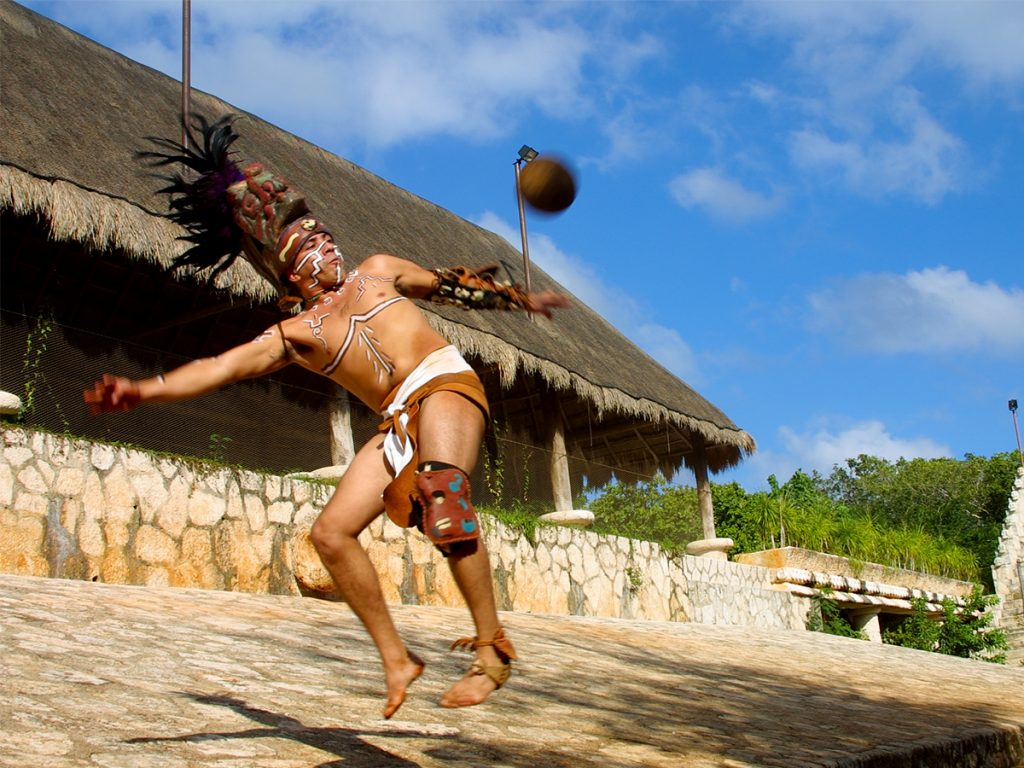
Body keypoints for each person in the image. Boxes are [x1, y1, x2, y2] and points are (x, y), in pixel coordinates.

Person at [83, 115, 569, 718]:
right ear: (291, 269)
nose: (327, 246)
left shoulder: (378, 270)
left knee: (443, 495)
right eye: (311, 245)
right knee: (331, 535)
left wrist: (522, 299)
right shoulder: (294, 333)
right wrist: (143, 389)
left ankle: (493, 652)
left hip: (444, 382)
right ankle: (397, 658)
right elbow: (218, 367)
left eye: (325, 235)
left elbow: (450, 285)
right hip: (396, 420)